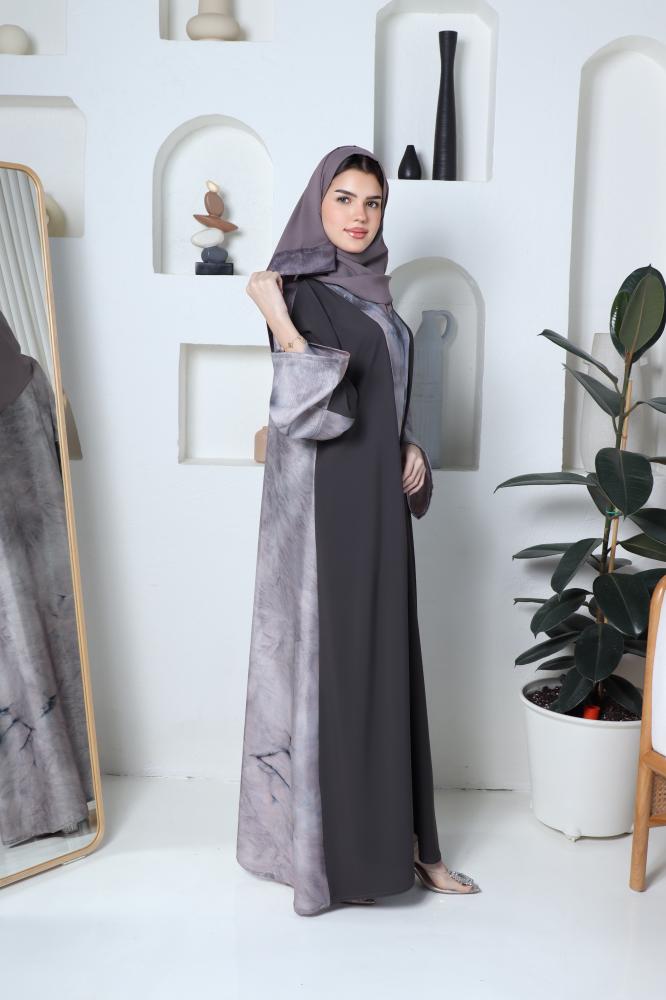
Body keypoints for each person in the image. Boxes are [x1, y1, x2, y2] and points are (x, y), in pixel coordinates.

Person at [236, 144, 480, 914]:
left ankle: (415, 848)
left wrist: (413, 447)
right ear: (319, 203)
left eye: (371, 203)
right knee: (339, 674)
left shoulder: (376, 294)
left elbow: (386, 400)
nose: (358, 215)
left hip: (378, 503)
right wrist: (279, 321)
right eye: (343, 198)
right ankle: (340, 860)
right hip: (327, 511)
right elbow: (314, 414)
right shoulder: (299, 291)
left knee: (388, 665)